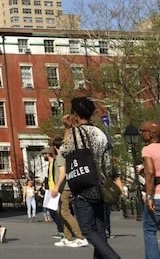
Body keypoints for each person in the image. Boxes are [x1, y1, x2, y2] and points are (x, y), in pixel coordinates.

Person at [59, 96, 121, 258]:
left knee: (87, 229)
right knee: (100, 230)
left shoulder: (75, 133)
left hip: (84, 185)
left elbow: (64, 151)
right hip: (101, 185)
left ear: (75, 114)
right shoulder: (100, 133)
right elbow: (108, 162)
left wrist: (67, 128)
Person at [51, 135, 87, 247]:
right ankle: (68, 237)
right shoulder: (66, 156)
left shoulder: (60, 157)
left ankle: (80, 237)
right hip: (65, 187)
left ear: (54, 147)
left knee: (65, 212)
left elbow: (62, 173)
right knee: (62, 212)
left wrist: (56, 187)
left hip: (64, 188)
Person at [141, 120, 160, 259]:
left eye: (143, 131)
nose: (141, 133)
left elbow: (151, 172)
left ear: (152, 133)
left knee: (150, 230)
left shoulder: (147, 149)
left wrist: (149, 197)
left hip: (157, 196)